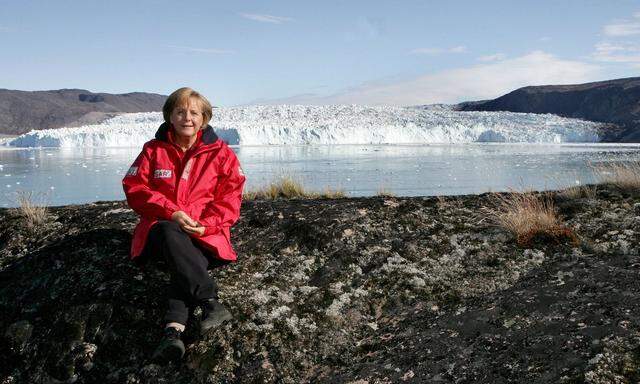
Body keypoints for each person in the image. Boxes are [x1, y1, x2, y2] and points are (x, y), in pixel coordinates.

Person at [122, 87, 245, 364]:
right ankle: (210, 302)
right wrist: (171, 211)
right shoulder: (153, 151)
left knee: (183, 263)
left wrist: (206, 226)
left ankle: (172, 332)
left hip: (204, 235)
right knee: (169, 231)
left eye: (193, 112)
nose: (186, 117)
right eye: (179, 111)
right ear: (169, 116)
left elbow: (230, 197)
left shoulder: (221, 154)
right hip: (161, 232)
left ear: (204, 118)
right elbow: (134, 187)